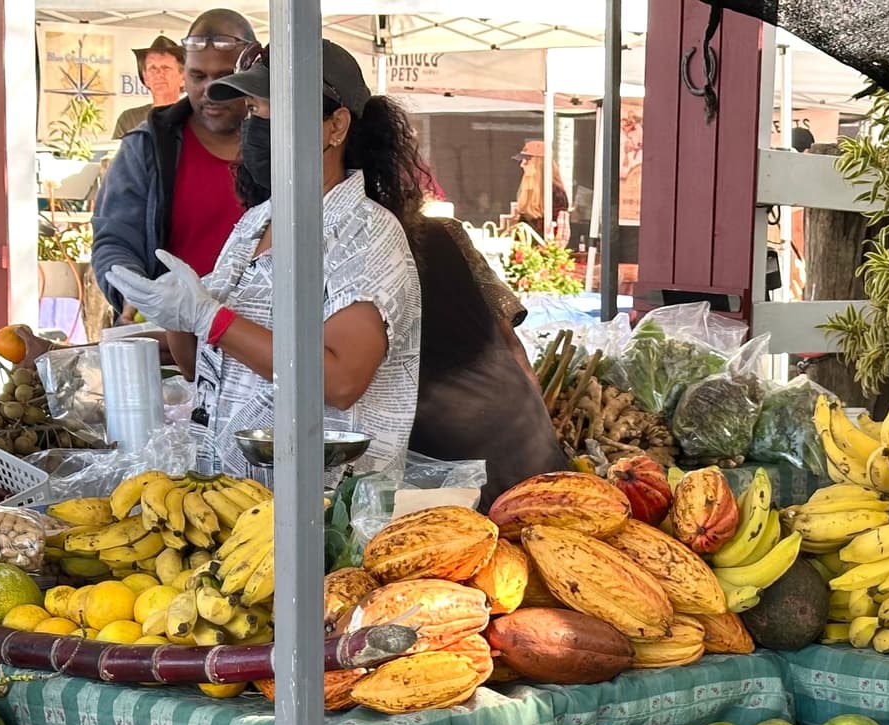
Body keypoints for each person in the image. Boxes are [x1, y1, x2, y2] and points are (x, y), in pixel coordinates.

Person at [109, 43, 420, 479]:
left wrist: (212, 318)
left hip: (322, 517)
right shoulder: (256, 222)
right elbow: (203, 366)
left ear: (336, 125)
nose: (254, 126)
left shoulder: (366, 232)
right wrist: (179, 316)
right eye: (252, 110)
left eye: (271, 109)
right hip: (234, 501)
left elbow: (340, 381)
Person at [92, 9, 255, 316]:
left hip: (259, 342)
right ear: (185, 75)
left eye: (224, 78)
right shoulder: (145, 147)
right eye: (198, 76)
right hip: (169, 337)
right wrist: (134, 295)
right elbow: (115, 240)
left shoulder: (285, 149)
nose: (209, 90)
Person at [409, 219, 567, 499]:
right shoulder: (449, 231)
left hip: (452, 443)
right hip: (522, 422)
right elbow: (512, 342)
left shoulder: (360, 242)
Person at [112, 35, 183, 140]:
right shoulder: (129, 120)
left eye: (166, 68)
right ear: (145, 78)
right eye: (152, 68)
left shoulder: (197, 121)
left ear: (183, 78)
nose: (159, 74)